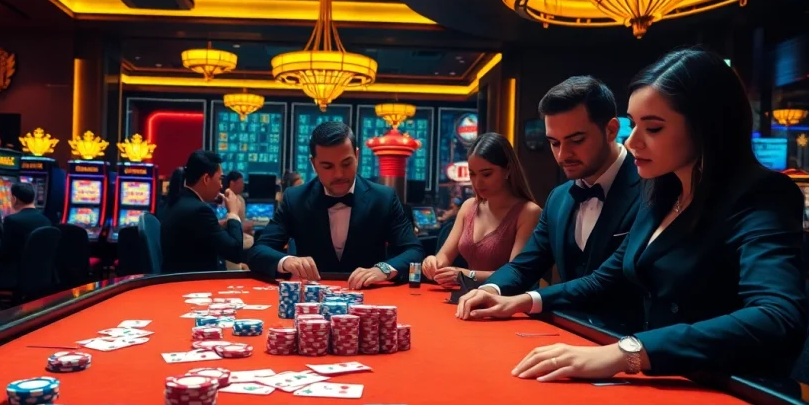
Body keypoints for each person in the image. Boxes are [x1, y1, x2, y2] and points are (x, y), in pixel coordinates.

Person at [458, 48, 809, 380]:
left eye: (653, 128)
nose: (632, 141)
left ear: (707, 127)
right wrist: (522, 300)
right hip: (657, 376)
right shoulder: (658, 193)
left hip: (727, 387)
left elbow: (776, 316)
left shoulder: (763, 195)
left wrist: (627, 352)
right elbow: (607, 277)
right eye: (634, 125)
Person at [458, 75, 643, 326]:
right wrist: (491, 290)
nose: (563, 155)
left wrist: (525, 300)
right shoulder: (558, 198)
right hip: (566, 336)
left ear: (611, 130)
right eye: (554, 143)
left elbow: (608, 280)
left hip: (631, 346)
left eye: (577, 140)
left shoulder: (651, 188)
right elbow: (524, 265)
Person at [247, 122, 425, 289]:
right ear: (313, 164)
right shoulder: (295, 199)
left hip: (370, 297)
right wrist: (287, 261)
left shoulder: (383, 198)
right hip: (312, 298)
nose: (339, 174)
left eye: (346, 163)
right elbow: (258, 251)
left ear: (357, 156)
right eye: (327, 166)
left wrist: (383, 270)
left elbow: (413, 250)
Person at [422, 133, 540, 286]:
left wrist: (466, 275)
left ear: (508, 170)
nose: (477, 182)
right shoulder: (468, 206)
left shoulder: (528, 212)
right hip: (469, 299)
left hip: (507, 303)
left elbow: (516, 274)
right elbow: (444, 256)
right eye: (472, 174)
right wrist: (433, 263)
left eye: (486, 174)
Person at [161, 150, 244, 273]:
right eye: (220, 179)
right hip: (194, 284)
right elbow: (235, 252)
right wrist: (233, 213)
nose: (221, 185)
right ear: (206, 179)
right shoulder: (200, 211)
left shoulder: (177, 200)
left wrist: (221, 224)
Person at [0, 182, 51, 288]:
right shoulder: (45, 220)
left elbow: (4, 254)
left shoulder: (12, 220)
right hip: (40, 275)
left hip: (15, 277)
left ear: (14, 199)